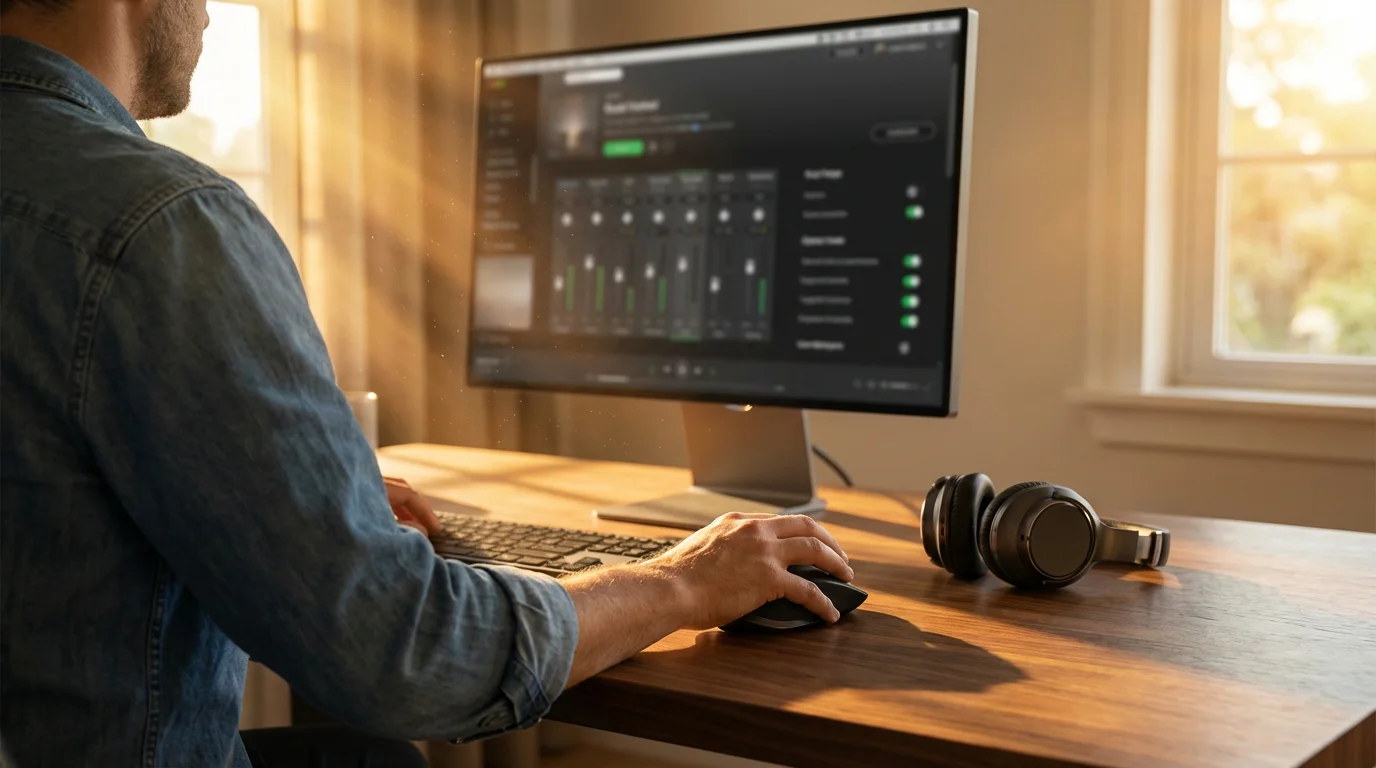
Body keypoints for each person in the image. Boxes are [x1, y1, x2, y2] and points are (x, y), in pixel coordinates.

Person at [0, 0, 855, 766]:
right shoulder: (160, 222)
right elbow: (402, 654)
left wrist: (278, 489)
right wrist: (683, 582)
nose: (214, 15)